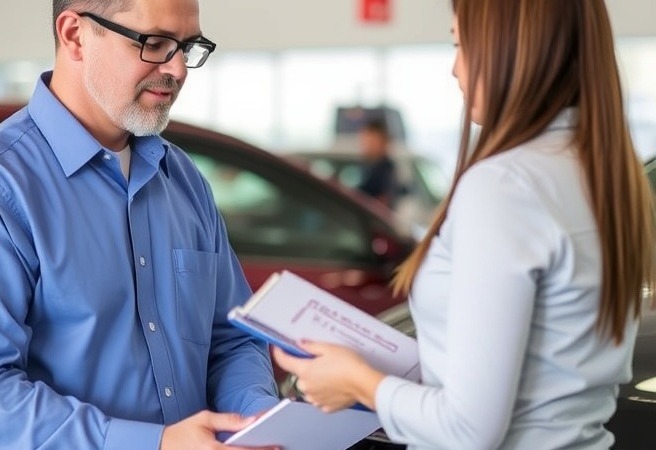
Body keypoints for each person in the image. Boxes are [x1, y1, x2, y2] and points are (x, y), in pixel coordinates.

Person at [273, 0, 655, 449]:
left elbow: (468, 430)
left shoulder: (505, 184)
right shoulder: (605, 173)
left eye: (461, 45)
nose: (455, 69)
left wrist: (357, 381)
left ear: (514, 49)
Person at [0, 0, 280, 449]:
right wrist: (154, 443)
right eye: (155, 43)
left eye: (187, 47)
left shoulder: (183, 180)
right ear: (74, 35)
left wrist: (254, 417)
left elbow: (233, 339)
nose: (178, 69)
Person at [356, 118, 398, 205]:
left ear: (383, 142)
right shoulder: (369, 166)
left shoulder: (385, 169)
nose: (365, 145)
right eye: (364, 140)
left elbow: (383, 200)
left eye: (371, 141)